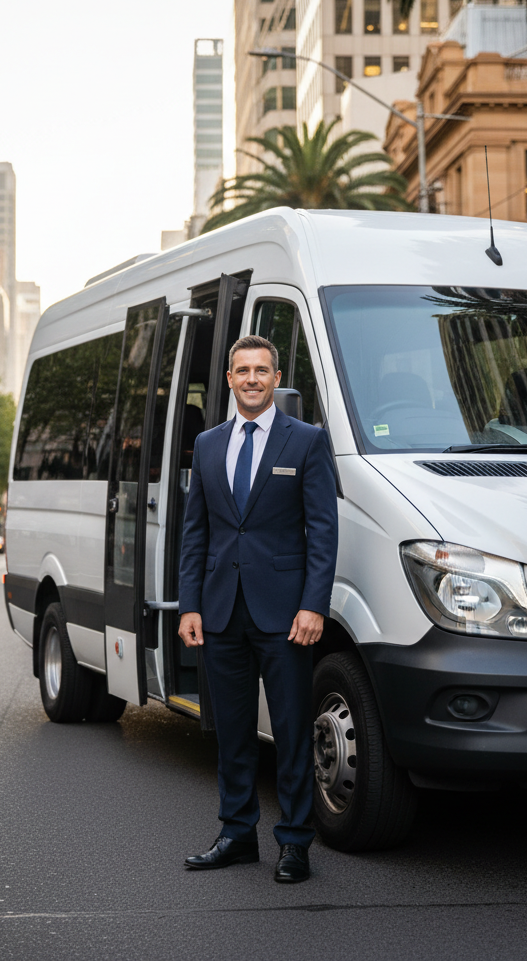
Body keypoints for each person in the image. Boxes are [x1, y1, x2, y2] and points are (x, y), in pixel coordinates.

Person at [178, 334, 338, 884]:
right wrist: (190, 605)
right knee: (233, 733)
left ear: (276, 378)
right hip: (220, 611)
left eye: (261, 370)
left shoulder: (307, 441)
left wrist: (314, 605)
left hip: (286, 615)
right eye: (242, 370)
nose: (251, 379)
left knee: (291, 733)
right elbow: (195, 534)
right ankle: (237, 834)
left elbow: (323, 532)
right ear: (229, 379)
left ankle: (294, 842)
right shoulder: (207, 445)